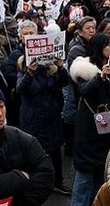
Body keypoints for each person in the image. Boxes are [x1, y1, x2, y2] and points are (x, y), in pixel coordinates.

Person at [69, 32, 110, 206]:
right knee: (84, 179)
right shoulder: (84, 69)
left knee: (101, 177)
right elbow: (83, 91)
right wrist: (100, 77)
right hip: (89, 128)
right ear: (98, 48)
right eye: (107, 45)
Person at [16, 52, 70, 195]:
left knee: (55, 150)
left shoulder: (49, 69)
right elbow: (19, 90)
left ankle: (58, 181)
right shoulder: (24, 68)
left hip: (52, 116)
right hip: (34, 119)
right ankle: (36, 184)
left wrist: (61, 67)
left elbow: (64, 82)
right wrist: (29, 74)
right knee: (36, 152)